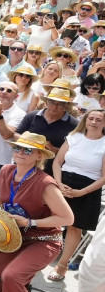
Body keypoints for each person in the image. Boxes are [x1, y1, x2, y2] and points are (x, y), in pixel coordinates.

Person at [49, 108, 105, 281]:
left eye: (99, 119)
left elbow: (104, 176)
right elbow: (57, 162)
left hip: (87, 188)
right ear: (85, 120)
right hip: (62, 182)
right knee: (49, 221)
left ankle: (62, 266)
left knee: (74, 228)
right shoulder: (73, 137)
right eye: (91, 118)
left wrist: (83, 192)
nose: (94, 122)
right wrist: (58, 184)